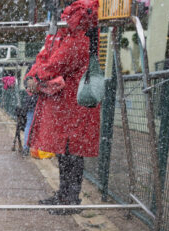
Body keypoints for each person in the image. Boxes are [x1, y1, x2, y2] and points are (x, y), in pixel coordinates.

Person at [25, 0, 101, 213]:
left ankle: (70, 199)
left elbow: (57, 61)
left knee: (71, 152)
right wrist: (35, 75)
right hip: (67, 104)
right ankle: (65, 195)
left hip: (73, 105)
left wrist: (35, 76)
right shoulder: (69, 37)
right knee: (66, 152)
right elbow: (48, 58)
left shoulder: (77, 40)